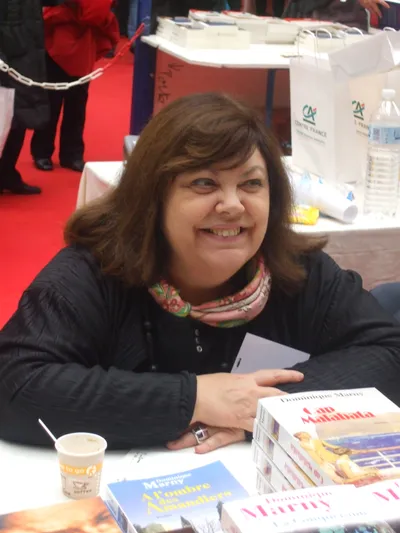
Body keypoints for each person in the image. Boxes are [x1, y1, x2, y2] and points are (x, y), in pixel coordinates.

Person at [0, 93, 399, 452]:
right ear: (153, 198)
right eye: (204, 183)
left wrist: (258, 410)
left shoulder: (299, 271)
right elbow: (14, 385)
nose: (233, 205)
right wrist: (193, 399)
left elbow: (389, 355)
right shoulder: (93, 272)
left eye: (251, 184)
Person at [30, 0, 119, 173]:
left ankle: (67, 154)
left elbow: (96, 11)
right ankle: (47, 151)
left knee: (75, 105)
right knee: (54, 101)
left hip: (80, 40)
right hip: (63, 37)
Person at [0, 0, 64, 195]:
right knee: (5, 116)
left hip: (26, 52)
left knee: (21, 116)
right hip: (8, 54)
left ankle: (6, 171)